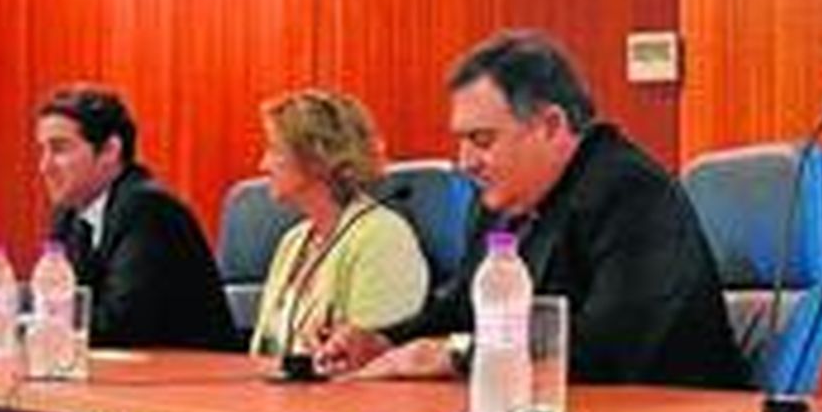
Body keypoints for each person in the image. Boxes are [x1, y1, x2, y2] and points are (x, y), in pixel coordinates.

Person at [318, 29, 749, 389]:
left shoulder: (631, 193)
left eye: (482, 140)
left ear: (551, 126)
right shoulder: (501, 202)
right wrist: (384, 341)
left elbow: (604, 351)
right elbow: (458, 312)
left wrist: (454, 354)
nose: (465, 161)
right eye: (462, 140)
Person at [37, 85, 235, 350]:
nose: (45, 166)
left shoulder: (148, 210)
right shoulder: (70, 216)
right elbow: (59, 308)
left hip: (193, 380)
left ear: (109, 150)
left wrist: (32, 326)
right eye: (43, 150)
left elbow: (120, 326)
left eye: (59, 149)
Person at [249, 90, 428, 361]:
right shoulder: (293, 241)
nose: (262, 164)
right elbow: (262, 355)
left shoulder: (384, 238)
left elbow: (375, 356)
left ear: (317, 157)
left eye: (275, 150)